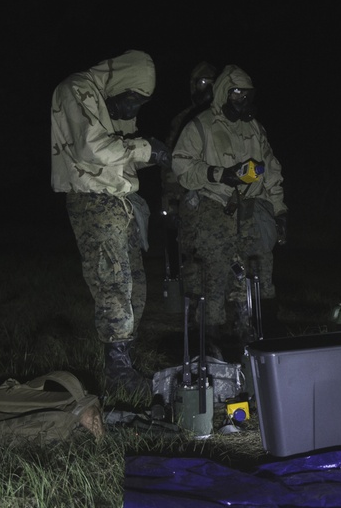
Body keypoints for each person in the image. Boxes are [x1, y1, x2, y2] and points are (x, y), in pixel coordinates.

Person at [50, 50, 173, 395]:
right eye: (132, 99)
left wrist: (153, 155)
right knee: (113, 284)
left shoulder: (109, 98)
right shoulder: (76, 89)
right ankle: (117, 371)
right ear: (120, 82)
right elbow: (93, 149)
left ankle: (124, 359)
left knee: (134, 283)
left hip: (121, 203)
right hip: (94, 201)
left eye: (139, 103)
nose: (132, 110)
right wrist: (147, 149)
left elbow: (121, 153)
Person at [172, 64, 287, 349]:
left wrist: (280, 210)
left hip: (250, 211)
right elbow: (181, 165)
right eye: (236, 93)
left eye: (247, 94)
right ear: (223, 92)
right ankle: (209, 344)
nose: (243, 100)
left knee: (252, 275)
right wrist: (217, 174)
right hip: (214, 209)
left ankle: (251, 341)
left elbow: (271, 170)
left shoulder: (255, 129)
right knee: (214, 276)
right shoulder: (200, 126)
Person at [162, 62, 217, 296]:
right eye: (202, 83)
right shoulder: (183, 121)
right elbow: (171, 162)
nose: (207, 89)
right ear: (193, 86)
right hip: (191, 199)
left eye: (212, 83)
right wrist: (171, 204)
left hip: (219, 198)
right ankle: (197, 314)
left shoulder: (226, 120)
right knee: (193, 258)